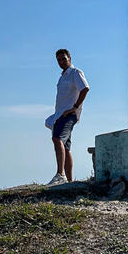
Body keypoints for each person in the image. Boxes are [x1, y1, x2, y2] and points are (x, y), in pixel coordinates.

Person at [45, 48, 89, 185]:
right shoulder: (62, 76)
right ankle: (70, 182)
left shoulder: (75, 73)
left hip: (69, 114)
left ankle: (60, 174)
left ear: (70, 58)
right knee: (66, 146)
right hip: (60, 115)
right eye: (59, 60)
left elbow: (85, 88)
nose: (61, 62)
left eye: (64, 58)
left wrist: (74, 107)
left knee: (57, 139)